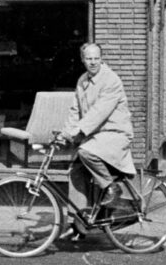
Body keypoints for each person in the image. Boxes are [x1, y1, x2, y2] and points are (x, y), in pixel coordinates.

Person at [58, 43, 136, 238]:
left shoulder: (111, 80)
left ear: (101, 58)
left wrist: (77, 131)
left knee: (86, 152)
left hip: (115, 134)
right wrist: (65, 133)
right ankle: (78, 222)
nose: (92, 62)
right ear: (82, 60)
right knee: (75, 168)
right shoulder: (82, 81)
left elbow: (99, 112)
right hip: (96, 136)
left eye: (96, 58)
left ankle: (111, 187)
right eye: (88, 59)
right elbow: (75, 111)